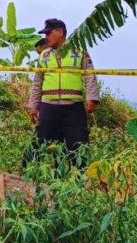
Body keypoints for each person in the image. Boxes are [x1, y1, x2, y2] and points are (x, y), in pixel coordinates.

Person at [27, 19, 99, 166]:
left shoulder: (79, 51)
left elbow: (89, 75)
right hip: (48, 106)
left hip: (74, 107)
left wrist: (92, 98)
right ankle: (30, 174)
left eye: (49, 33)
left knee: (78, 144)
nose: (46, 37)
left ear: (60, 32)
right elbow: (37, 81)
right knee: (40, 142)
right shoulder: (44, 55)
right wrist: (33, 105)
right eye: (45, 34)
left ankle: (79, 179)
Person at [21, 36, 51, 169]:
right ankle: (30, 166)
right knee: (40, 137)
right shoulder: (44, 61)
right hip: (47, 104)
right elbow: (37, 84)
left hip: (63, 105)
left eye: (40, 52)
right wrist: (34, 105)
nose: (40, 55)